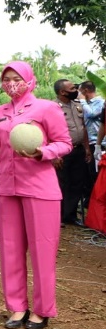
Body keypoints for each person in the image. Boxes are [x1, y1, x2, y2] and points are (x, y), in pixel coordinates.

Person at [0, 61, 71, 329]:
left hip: (40, 188)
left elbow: (64, 143)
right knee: (10, 250)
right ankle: (17, 307)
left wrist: (44, 152)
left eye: (16, 77)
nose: (11, 82)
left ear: (28, 79)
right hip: (7, 188)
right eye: (6, 78)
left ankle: (42, 310)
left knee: (43, 251)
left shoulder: (46, 108)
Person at [53, 78, 91, 226]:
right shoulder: (53, 107)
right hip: (62, 152)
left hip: (79, 150)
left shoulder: (77, 105)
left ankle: (70, 215)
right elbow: (48, 132)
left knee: (77, 183)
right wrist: (54, 155)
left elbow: (83, 128)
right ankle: (59, 216)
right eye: (73, 89)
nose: (76, 91)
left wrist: (87, 148)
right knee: (61, 184)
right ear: (62, 92)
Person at [79, 80, 103, 207]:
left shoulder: (101, 103)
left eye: (80, 90)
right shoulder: (85, 104)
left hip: (102, 144)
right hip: (92, 144)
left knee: (99, 176)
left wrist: (82, 101)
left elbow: (92, 114)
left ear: (85, 91)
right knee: (91, 176)